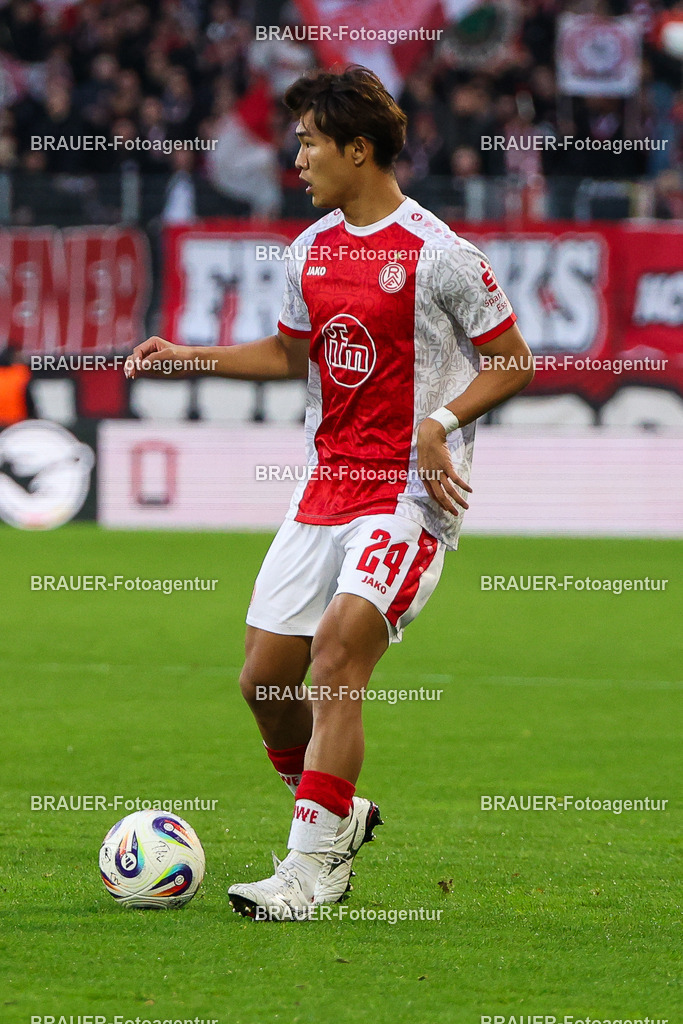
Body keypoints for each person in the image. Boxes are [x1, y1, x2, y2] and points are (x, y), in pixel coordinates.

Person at [125, 66, 534, 921]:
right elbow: (287, 356)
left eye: (310, 141)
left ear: (359, 149)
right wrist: (186, 354)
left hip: (408, 497)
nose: (298, 155)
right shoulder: (308, 251)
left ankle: (309, 872)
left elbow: (513, 361)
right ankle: (339, 815)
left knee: (338, 655)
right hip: (323, 488)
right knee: (264, 682)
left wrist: (441, 420)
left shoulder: (443, 256)